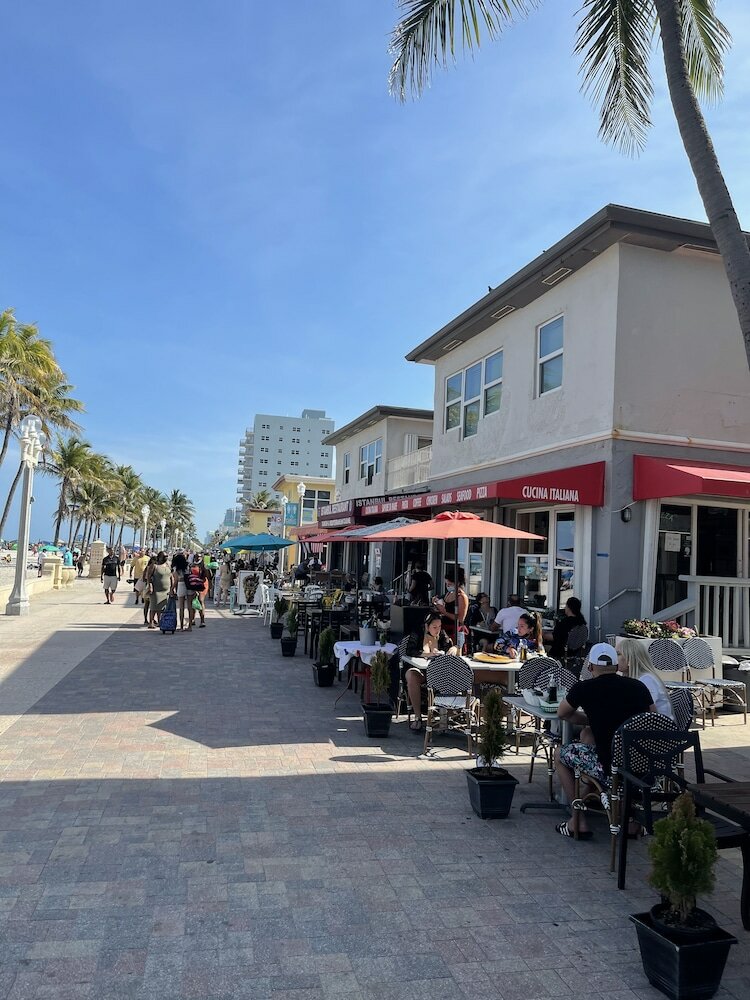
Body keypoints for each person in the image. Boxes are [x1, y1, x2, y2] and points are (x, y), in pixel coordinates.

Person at [554, 642, 656, 839]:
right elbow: (652, 719)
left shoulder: (584, 688)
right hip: (640, 766)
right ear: (616, 667)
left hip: (609, 767)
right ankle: (625, 818)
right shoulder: (638, 686)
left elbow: (563, 713)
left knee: (560, 754)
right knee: (590, 739)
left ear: (590, 667)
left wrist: (591, 719)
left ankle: (577, 820)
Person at [404, 610, 458, 733]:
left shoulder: (441, 634)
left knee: (453, 673)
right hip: (420, 670)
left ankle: (448, 714)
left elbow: (449, 646)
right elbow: (409, 651)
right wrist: (427, 654)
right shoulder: (418, 633)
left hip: (437, 671)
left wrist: (454, 648)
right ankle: (418, 717)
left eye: (439, 626)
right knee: (412, 676)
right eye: (434, 627)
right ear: (427, 626)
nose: (437, 629)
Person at [617, 639, 675, 720]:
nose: (614, 658)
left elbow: (643, 711)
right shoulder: (633, 679)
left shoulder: (647, 680)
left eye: (618, 654)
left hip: (659, 729)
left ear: (630, 659)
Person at [433, 568, 469, 647]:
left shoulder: (462, 597)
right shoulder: (449, 593)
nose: (447, 586)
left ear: (457, 583)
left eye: (449, 584)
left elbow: (460, 619)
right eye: (446, 584)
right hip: (443, 628)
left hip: (455, 630)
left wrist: (444, 612)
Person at [147, 551, 172, 630]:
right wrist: (150, 586)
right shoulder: (154, 566)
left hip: (166, 590)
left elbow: (171, 576)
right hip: (156, 589)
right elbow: (148, 576)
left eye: (167, 556)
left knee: (162, 607)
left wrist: (172, 588)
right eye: (164, 556)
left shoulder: (168, 565)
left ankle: (159, 621)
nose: (166, 558)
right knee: (154, 606)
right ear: (160, 557)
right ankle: (151, 622)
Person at [186, 554, 208, 629]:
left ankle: (202, 620)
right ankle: (192, 619)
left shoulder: (203, 565)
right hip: (193, 583)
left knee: (200, 600)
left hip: (202, 584)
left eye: (199, 557)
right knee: (193, 601)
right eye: (197, 557)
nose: (198, 558)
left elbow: (206, 575)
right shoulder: (191, 565)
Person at [171, 551, 190, 629]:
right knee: (190, 606)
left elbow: (175, 581)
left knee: (181, 607)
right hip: (189, 585)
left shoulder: (176, 569)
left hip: (181, 584)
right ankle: (190, 626)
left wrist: (171, 589)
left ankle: (182, 626)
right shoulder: (188, 566)